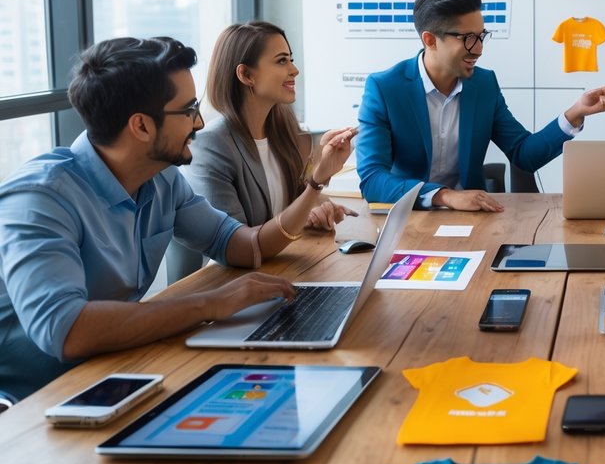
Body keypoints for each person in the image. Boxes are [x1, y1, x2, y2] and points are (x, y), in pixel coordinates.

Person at [0, 37, 352, 401]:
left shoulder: (161, 178)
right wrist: (210, 304)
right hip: (36, 400)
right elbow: (65, 330)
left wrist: (315, 184)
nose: (198, 122)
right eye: (188, 110)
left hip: (115, 368)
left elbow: (242, 245)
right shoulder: (39, 198)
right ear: (141, 126)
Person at [356, 0, 605, 211]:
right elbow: (372, 179)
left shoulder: (483, 84)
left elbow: (523, 154)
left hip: (475, 220)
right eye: (467, 38)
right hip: (410, 217)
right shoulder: (385, 88)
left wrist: (575, 113)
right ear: (430, 40)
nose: (478, 49)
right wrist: (444, 195)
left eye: (481, 36)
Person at [184, 21, 358, 231]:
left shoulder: (286, 131)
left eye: (291, 59)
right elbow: (236, 242)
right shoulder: (210, 145)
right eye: (282, 61)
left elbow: (292, 209)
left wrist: (319, 204)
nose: (294, 70)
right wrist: (314, 188)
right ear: (246, 75)